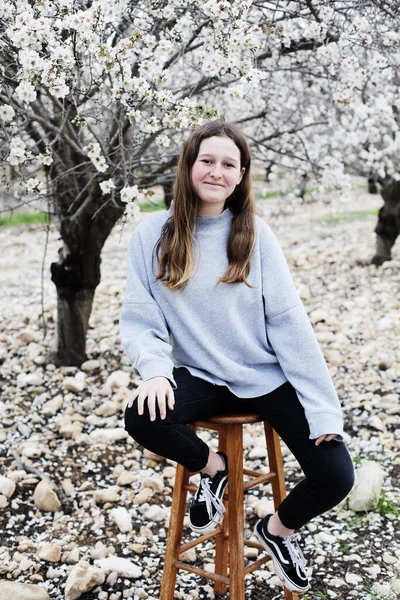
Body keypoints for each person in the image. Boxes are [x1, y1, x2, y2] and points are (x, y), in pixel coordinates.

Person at [120, 121, 354, 594]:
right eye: (207, 160)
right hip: (201, 376)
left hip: (265, 376)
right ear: (188, 166)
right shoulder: (153, 235)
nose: (216, 171)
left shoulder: (255, 235)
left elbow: (290, 325)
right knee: (141, 417)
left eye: (229, 164)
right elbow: (141, 318)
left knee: (336, 476)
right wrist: (155, 372)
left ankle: (277, 532)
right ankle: (214, 469)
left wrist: (322, 407)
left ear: (241, 175)